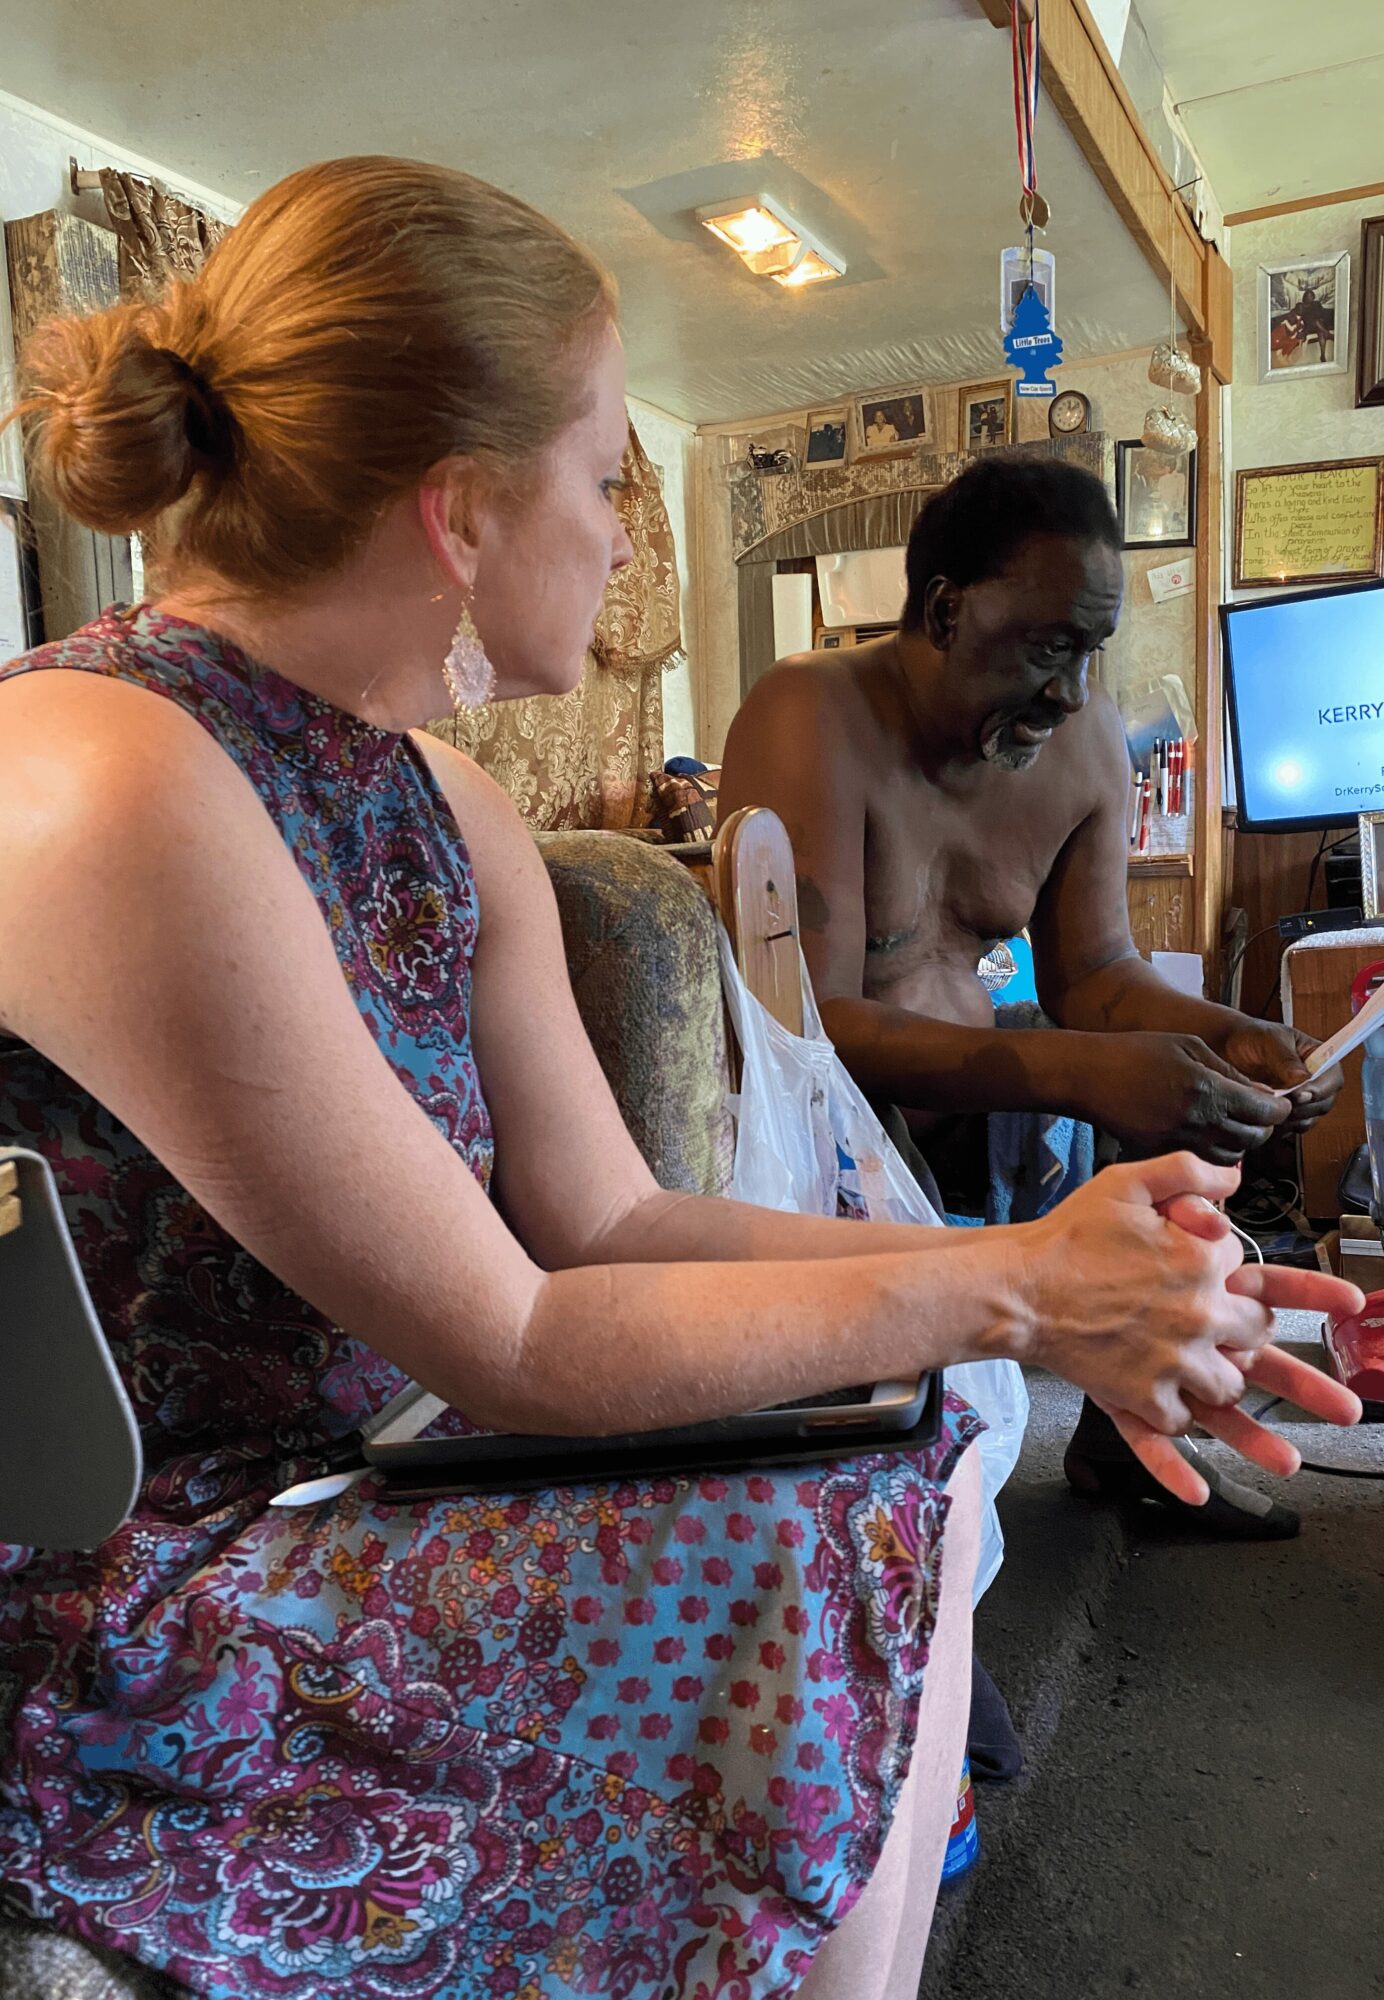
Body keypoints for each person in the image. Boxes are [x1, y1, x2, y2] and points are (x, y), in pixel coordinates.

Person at [0, 162, 1357, 2000]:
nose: (629, 541)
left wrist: (1048, 1274)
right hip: (149, 1585)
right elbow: (520, 1340)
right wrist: (1024, 1289)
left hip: (355, 1480)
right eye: (607, 478)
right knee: (860, 1499)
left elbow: (612, 1219)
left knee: (915, 1437)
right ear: (462, 508)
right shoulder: (110, 775)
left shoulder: (443, 801)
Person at [718, 456, 1346, 1540]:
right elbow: (801, 1032)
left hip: (979, 1105)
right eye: (1048, 644)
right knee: (1086, 1092)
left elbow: (1095, 975)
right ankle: (895, 1510)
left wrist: (1235, 1037)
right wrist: (1083, 1069)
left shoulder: (1083, 741)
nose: (1068, 690)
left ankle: (1124, 1440)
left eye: (1090, 651)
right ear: (946, 607)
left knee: (1187, 1115)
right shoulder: (810, 711)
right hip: (829, 1129)